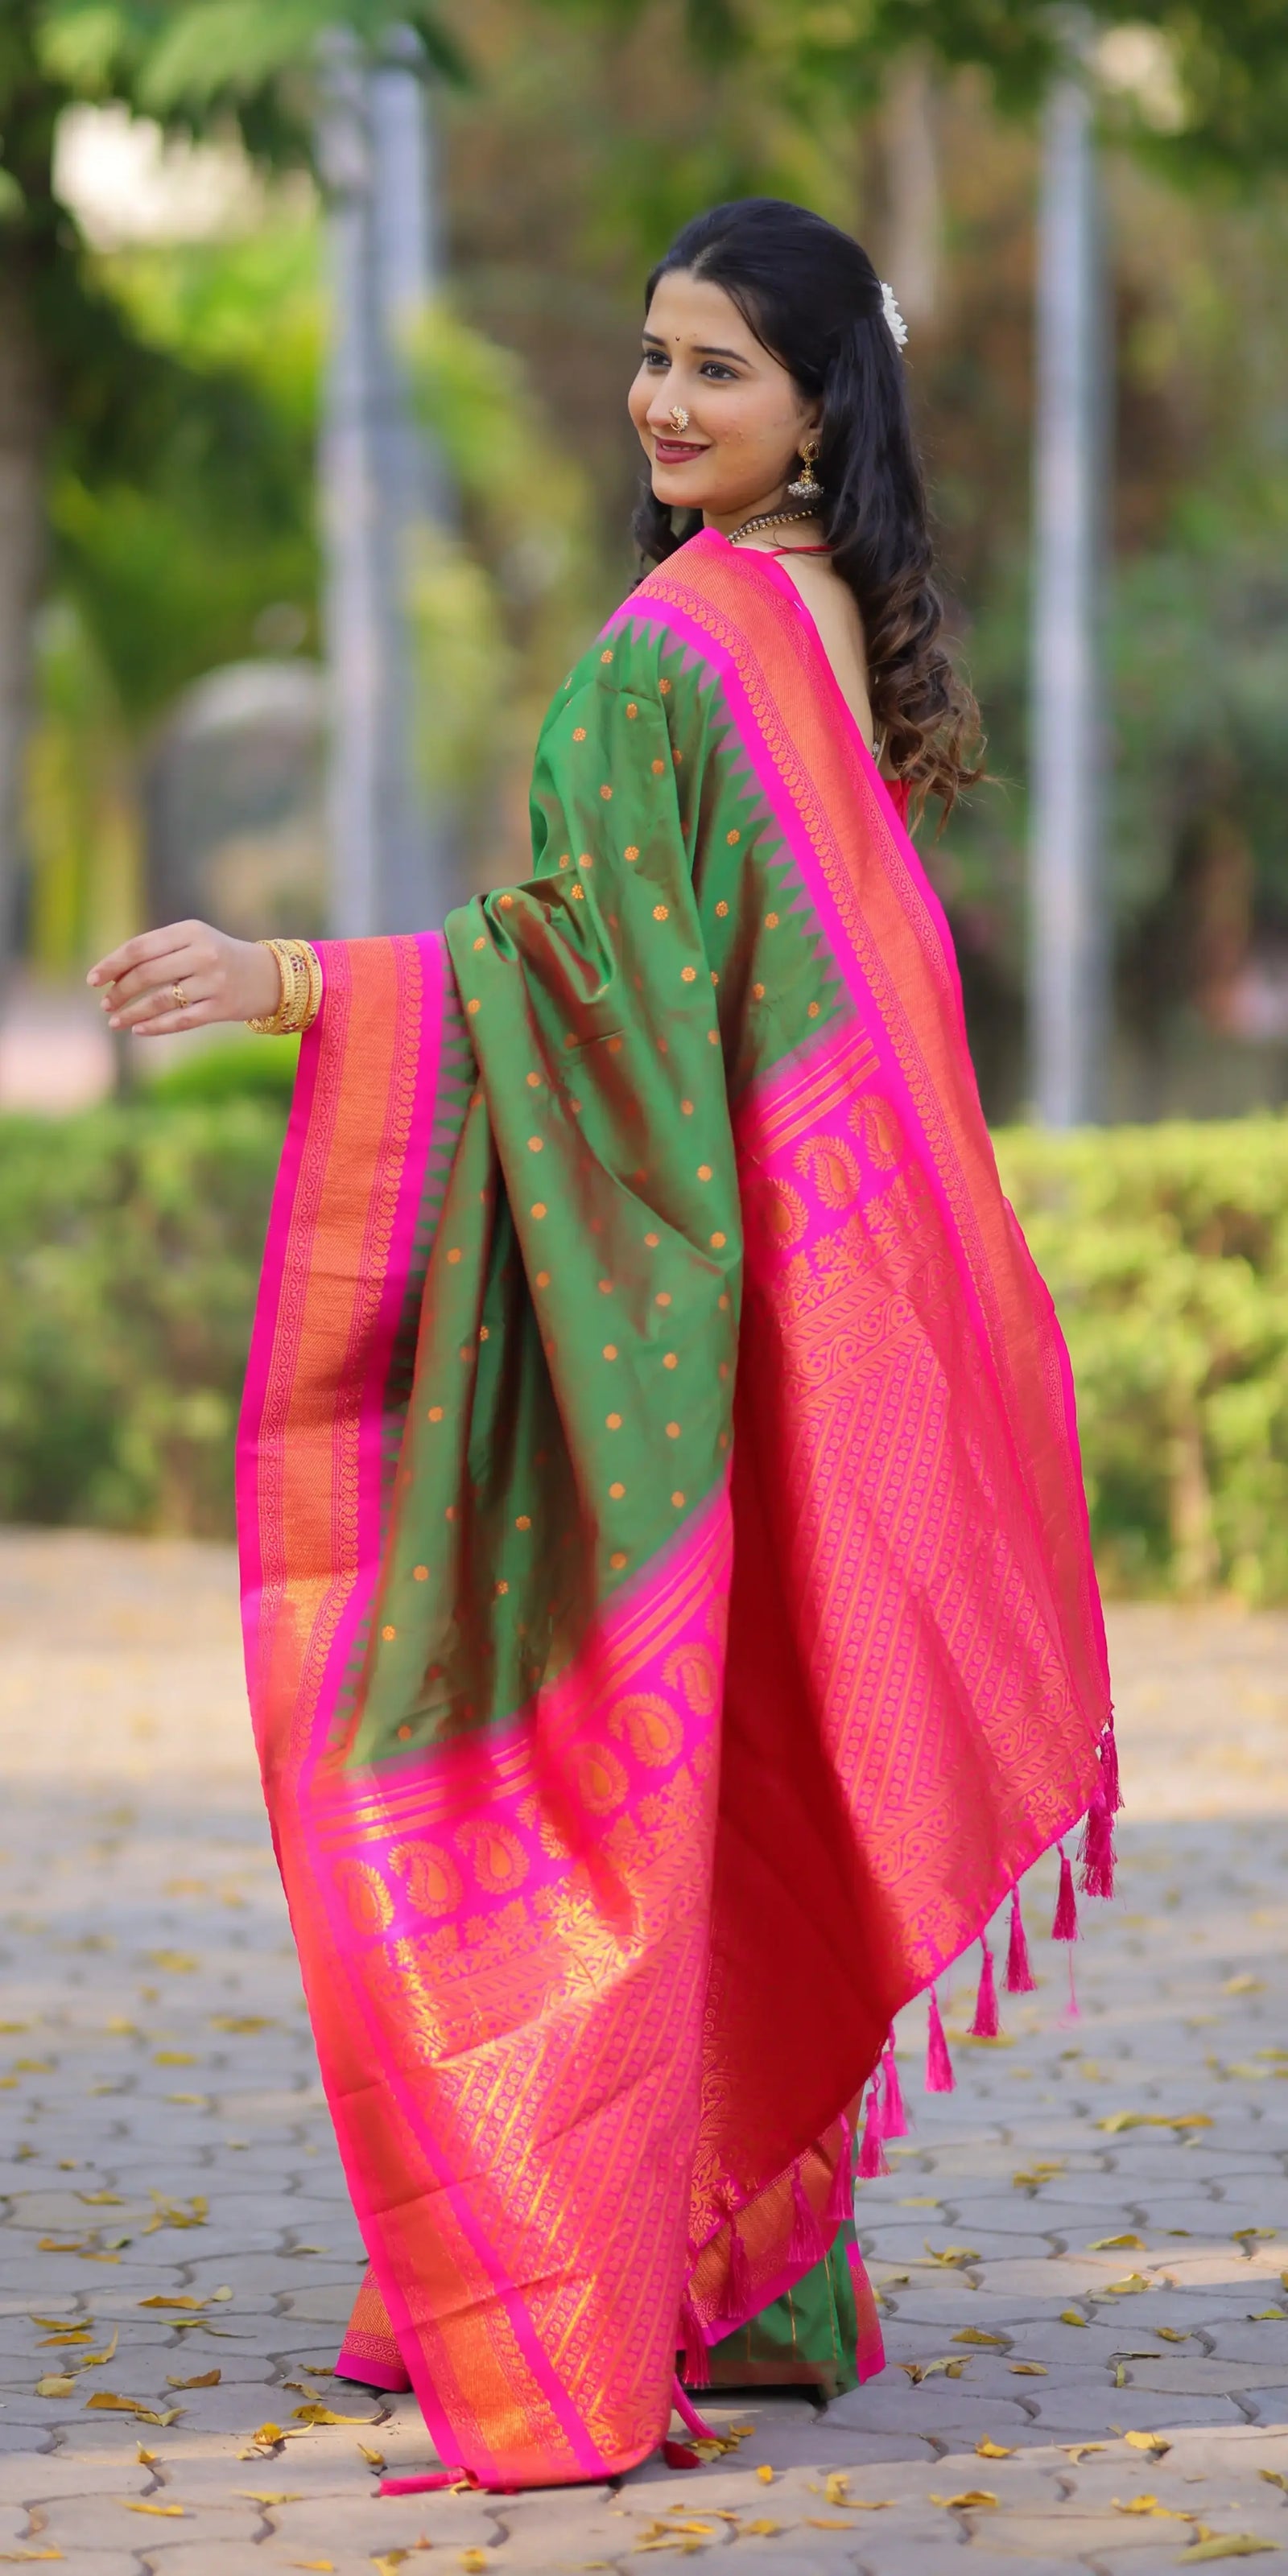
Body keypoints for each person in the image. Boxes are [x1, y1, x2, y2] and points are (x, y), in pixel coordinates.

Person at [89, 198, 1114, 2492]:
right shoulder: (808, 613)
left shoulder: (702, 635)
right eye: (653, 354)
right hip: (731, 1272)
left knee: (588, 1766)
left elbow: (604, 979)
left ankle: (586, 2268)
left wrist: (295, 985)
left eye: (719, 369)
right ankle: (755, 2267)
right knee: (717, 1731)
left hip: (667, 1266)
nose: (664, 400)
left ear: (821, 404)